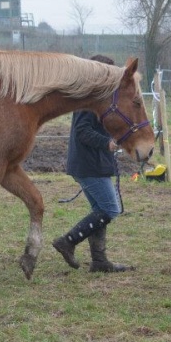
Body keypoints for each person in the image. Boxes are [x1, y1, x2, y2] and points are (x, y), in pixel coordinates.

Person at [52, 55, 134, 273]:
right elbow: (82, 131)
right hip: (89, 165)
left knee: (101, 210)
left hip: (92, 163)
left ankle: (99, 261)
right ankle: (67, 241)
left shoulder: (98, 97)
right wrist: (106, 143)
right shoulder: (88, 99)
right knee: (110, 208)